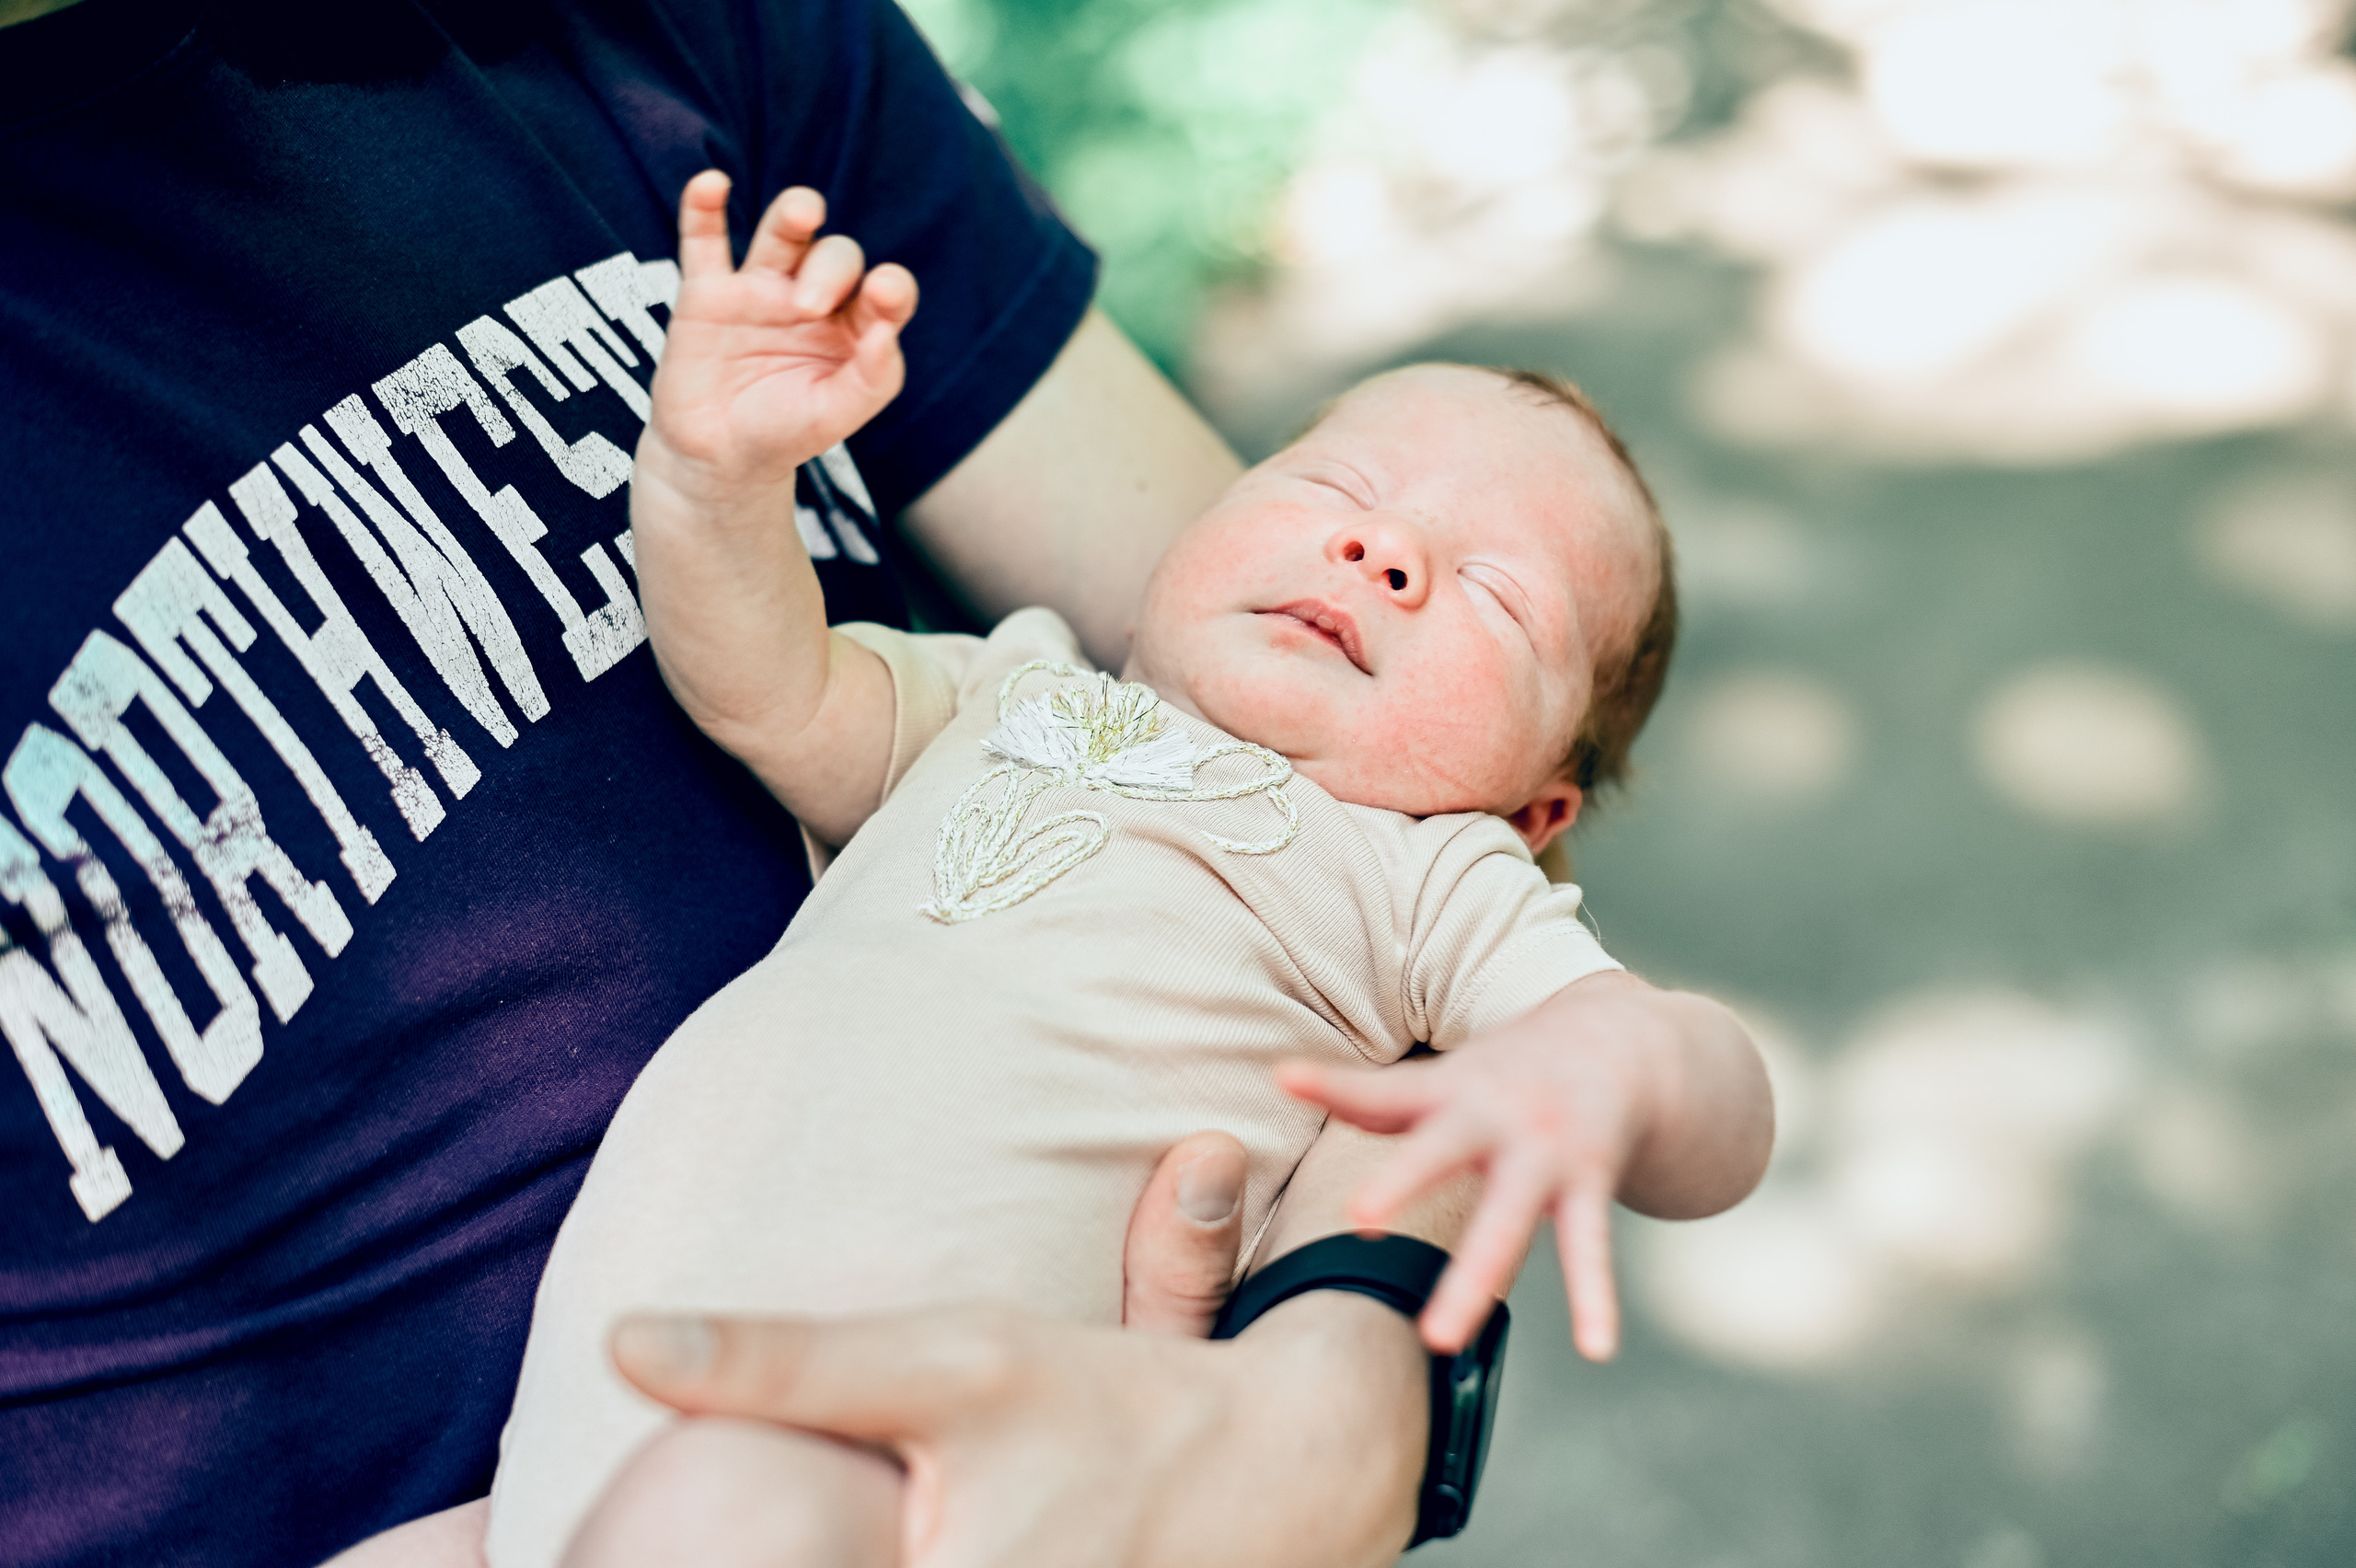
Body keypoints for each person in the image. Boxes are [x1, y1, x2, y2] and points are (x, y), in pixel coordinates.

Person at [0, 1, 1551, 1563]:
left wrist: (1332, 1392)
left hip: (965, 1459)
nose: (1386, 550)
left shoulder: (666, 29)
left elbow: (1381, 771)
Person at [482, 174, 1774, 1567]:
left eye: (1501, 595)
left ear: (1538, 808)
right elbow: (766, 686)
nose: (1384, 550)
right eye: (1333, 488)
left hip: (902, 1472)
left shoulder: (1426, 879)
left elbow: (1715, 1109)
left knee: (732, 1517)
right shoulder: (1008, 688)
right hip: (566, 1452)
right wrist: (713, 478)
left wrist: (1623, 1067)